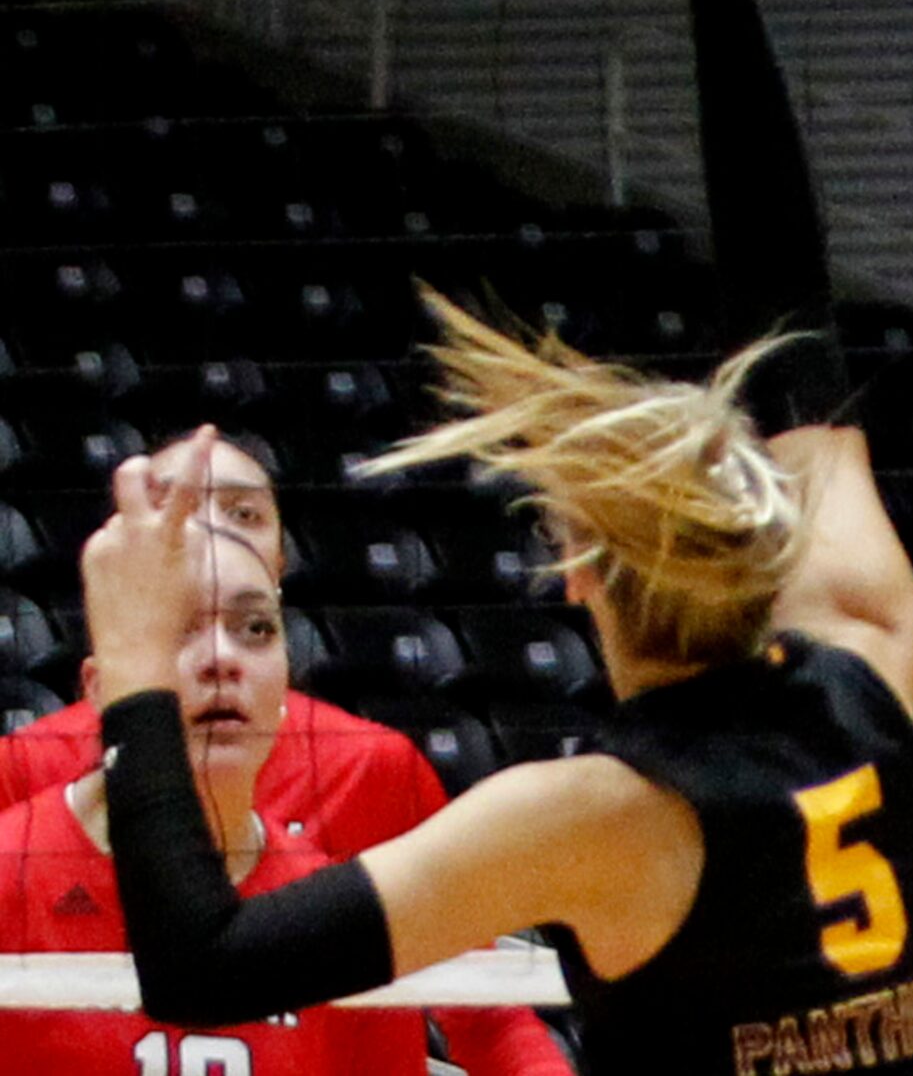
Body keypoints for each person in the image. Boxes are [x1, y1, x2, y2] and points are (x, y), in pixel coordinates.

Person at [75, 0, 913, 1076]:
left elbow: (207, 966)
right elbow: (791, 311)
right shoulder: (867, 648)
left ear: (576, 573)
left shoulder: (589, 818)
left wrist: (135, 668)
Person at [0, 427, 571, 1076]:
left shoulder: (369, 764)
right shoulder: (26, 774)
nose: (208, 528)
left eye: (242, 513)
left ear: (278, 567)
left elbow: (484, 1010)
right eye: (174, 508)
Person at [0, 516, 427, 1071]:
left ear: (285, 690)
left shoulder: (333, 911)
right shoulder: (12, 873)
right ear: (102, 690)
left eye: (255, 629)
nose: (223, 660)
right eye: (177, 629)